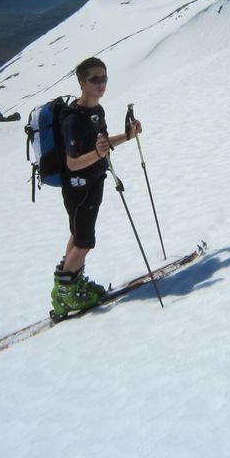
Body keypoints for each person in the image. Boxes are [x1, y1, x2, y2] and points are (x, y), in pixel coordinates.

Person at [52, 56, 141, 315]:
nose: (101, 84)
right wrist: (99, 155)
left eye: (104, 78)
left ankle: (72, 284)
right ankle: (65, 295)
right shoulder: (73, 119)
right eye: (95, 79)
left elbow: (100, 145)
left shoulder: (96, 111)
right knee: (84, 241)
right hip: (79, 186)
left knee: (78, 235)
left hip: (92, 182)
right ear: (82, 83)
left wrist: (126, 136)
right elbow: (72, 163)